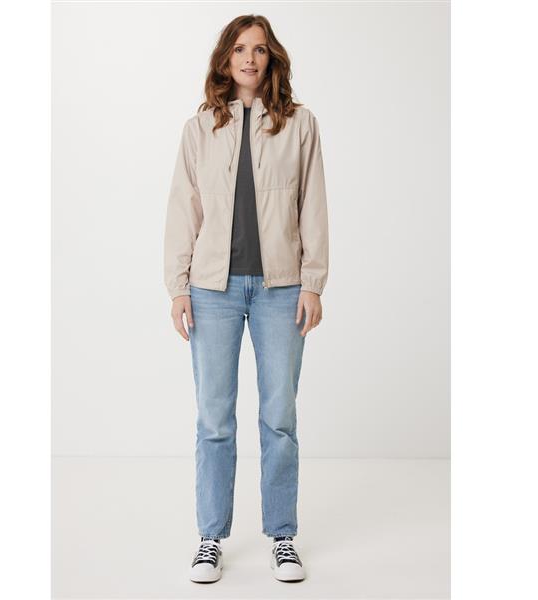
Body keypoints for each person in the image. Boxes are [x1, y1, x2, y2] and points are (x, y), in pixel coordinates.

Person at [163, 14, 329, 583]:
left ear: (271, 57)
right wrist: (178, 288)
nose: (250, 59)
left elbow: (313, 205)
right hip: (213, 290)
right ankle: (210, 537)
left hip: (282, 289)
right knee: (214, 419)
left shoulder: (300, 124)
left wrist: (313, 281)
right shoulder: (199, 128)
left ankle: (283, 536)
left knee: (279, 418)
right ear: (225, 58)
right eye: (239, 49)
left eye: (259, 49)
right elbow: (183, 209)